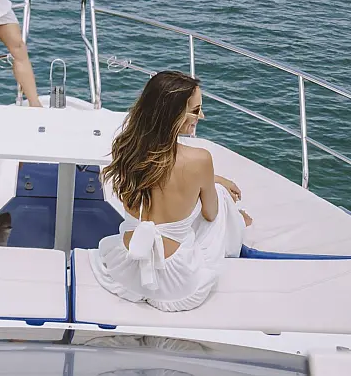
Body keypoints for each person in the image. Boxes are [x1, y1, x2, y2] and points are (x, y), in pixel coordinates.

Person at [90, 70, 251, 311]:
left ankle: (231, 211)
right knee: (219, 197)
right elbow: (210, 214)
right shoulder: (200, 160)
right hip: (175, 284)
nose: (201, 116)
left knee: (202, 192)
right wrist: (214, 184)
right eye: (196, 110)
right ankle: (238, 221)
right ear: (174, 114)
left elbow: (160, 174)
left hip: (126, 271)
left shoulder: (126, 148)